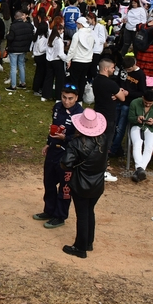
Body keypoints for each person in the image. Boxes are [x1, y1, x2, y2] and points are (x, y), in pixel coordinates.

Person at [60, 108, 109, 258]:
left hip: (81, 184)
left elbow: (65, 163)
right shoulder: (104, 139)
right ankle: (88, 242)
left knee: (82, 214)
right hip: (98, 184)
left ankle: (80, 248)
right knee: (89, 211)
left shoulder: (76, 143)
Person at [34, 84, 82, 229]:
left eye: (70, 98)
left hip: (68, 156)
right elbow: (54, 126)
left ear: (76, 98)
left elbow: (80, 138)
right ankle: (49, 210)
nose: (66, 101)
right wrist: (49, 143)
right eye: (64, 97)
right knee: (48, 183)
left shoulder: (80, 114)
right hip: (53, 151)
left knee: (65, 187)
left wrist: (65, 138)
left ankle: (60, 216)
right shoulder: (57, 107)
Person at [92, 58, 127, 183]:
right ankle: (102, 171)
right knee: (106, 145)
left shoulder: (96, 81)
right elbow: (122, 98)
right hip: (108, 118)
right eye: (112, 68)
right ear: (106, 68)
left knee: (96, 143)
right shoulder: (111, 84)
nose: (114, 70)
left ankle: (94, 168)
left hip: (97, 116)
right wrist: (121, 92)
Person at [128, 91, 153, 182]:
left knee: (149, 146)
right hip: (137, 126)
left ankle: (139, 169)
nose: (147, 104)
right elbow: (130, 118)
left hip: (152, 129)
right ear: (142, 98)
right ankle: (140, 170)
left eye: (150, 103)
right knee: (137, 143)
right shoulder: (135, 102)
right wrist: (137, 119)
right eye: (146, 102)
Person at [5, 11, 32, 90]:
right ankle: (22, 83)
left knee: (13, 67)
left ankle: (13, 85)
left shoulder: (13, 26)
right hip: (23, 49)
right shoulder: (28, 25)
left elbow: (10, 38)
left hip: (14, 49)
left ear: (15, 17)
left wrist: (7, 35)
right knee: (21, 65)